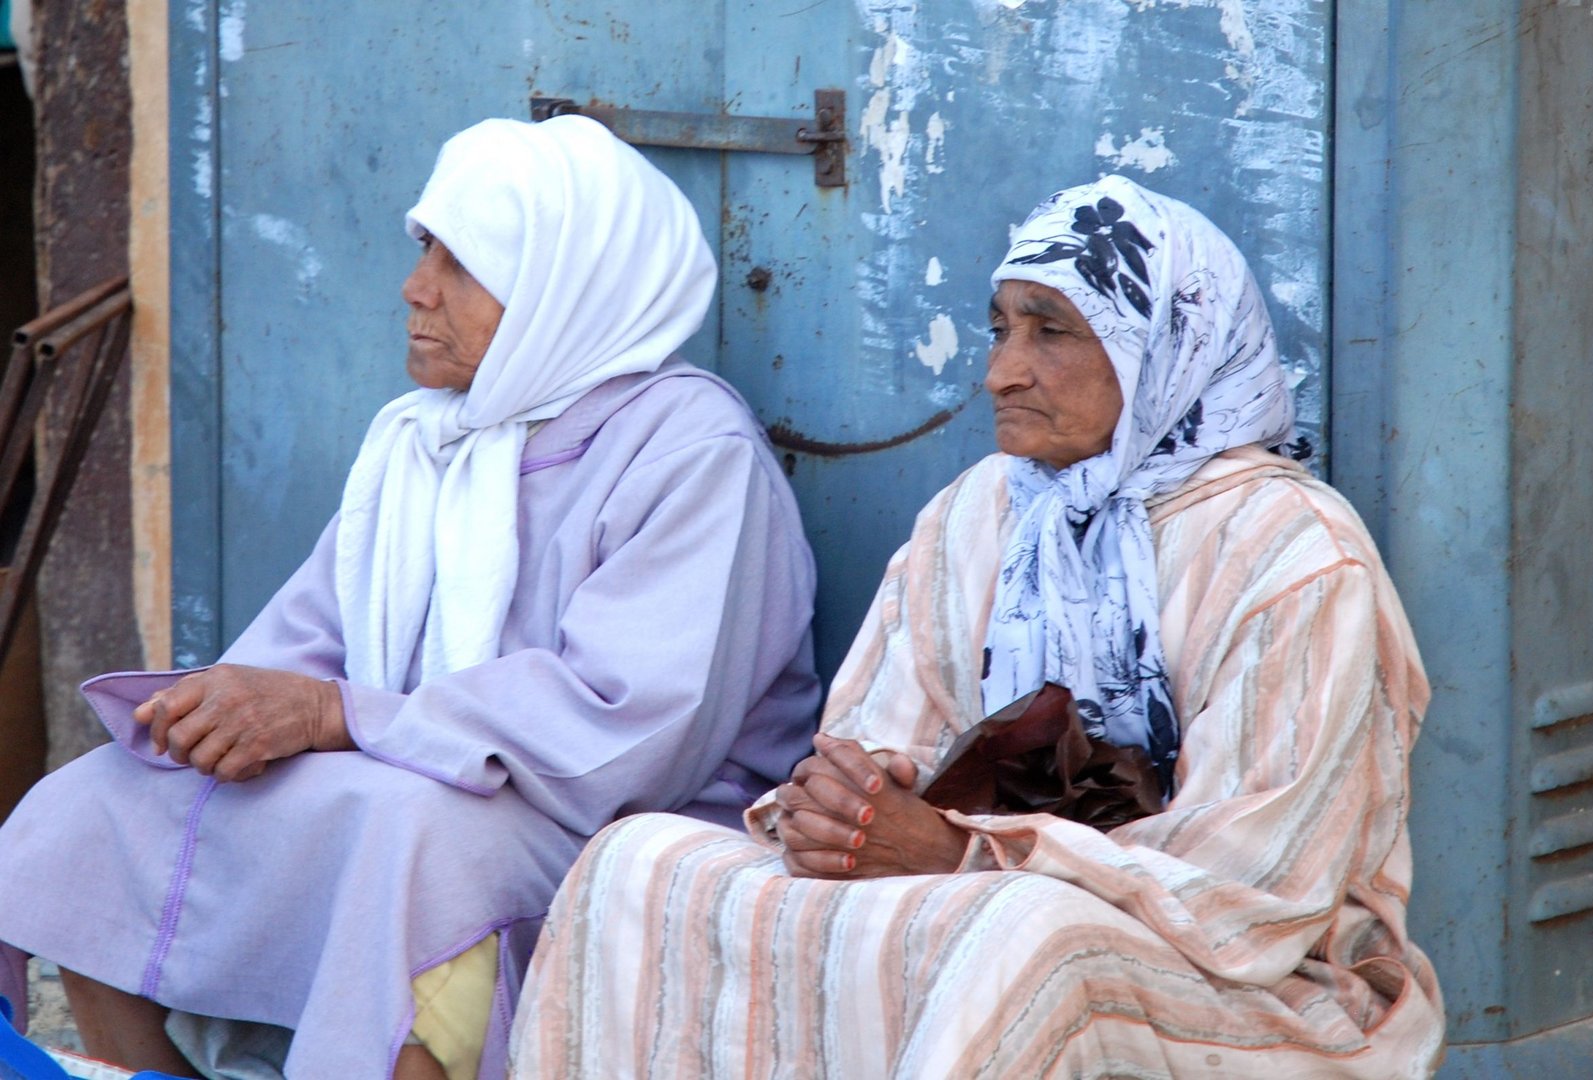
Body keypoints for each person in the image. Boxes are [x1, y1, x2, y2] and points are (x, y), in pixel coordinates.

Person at [509, 175, 1446, 1078]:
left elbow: (1258, 886)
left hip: (1256, 978)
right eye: (1000, 329)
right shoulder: (979, 512)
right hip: (975, 894)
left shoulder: (1293, 550)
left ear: (1163, 348)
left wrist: (966, 853)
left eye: (1052, 332)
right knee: (637, 868)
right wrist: (851, 800)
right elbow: (884, 736)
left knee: (1027, 941)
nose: (1001, 371)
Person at [0, 116, 820, 1080]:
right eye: (423, 247)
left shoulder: (691, 449)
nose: (415, 286)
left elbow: (632, 726)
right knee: (107, 800)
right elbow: (306, 643)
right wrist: (221, 711)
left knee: (415, 841)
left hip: (613, 815)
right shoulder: (427, 440)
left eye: (461, 261)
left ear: (565, 286)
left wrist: (336, 714)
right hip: (410, 770)